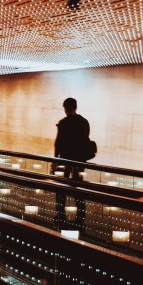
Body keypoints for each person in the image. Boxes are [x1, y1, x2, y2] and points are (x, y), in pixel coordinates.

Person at [54, 97, 90, 228]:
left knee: (61, 187)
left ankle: (60, 213)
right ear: (76, 107)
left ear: (65, 108)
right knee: (77, 186)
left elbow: (58, 144)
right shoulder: (84, 122)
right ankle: (81, 217)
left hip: (65, 159)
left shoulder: (63, 123)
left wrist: (55, 161)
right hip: (80, 160)